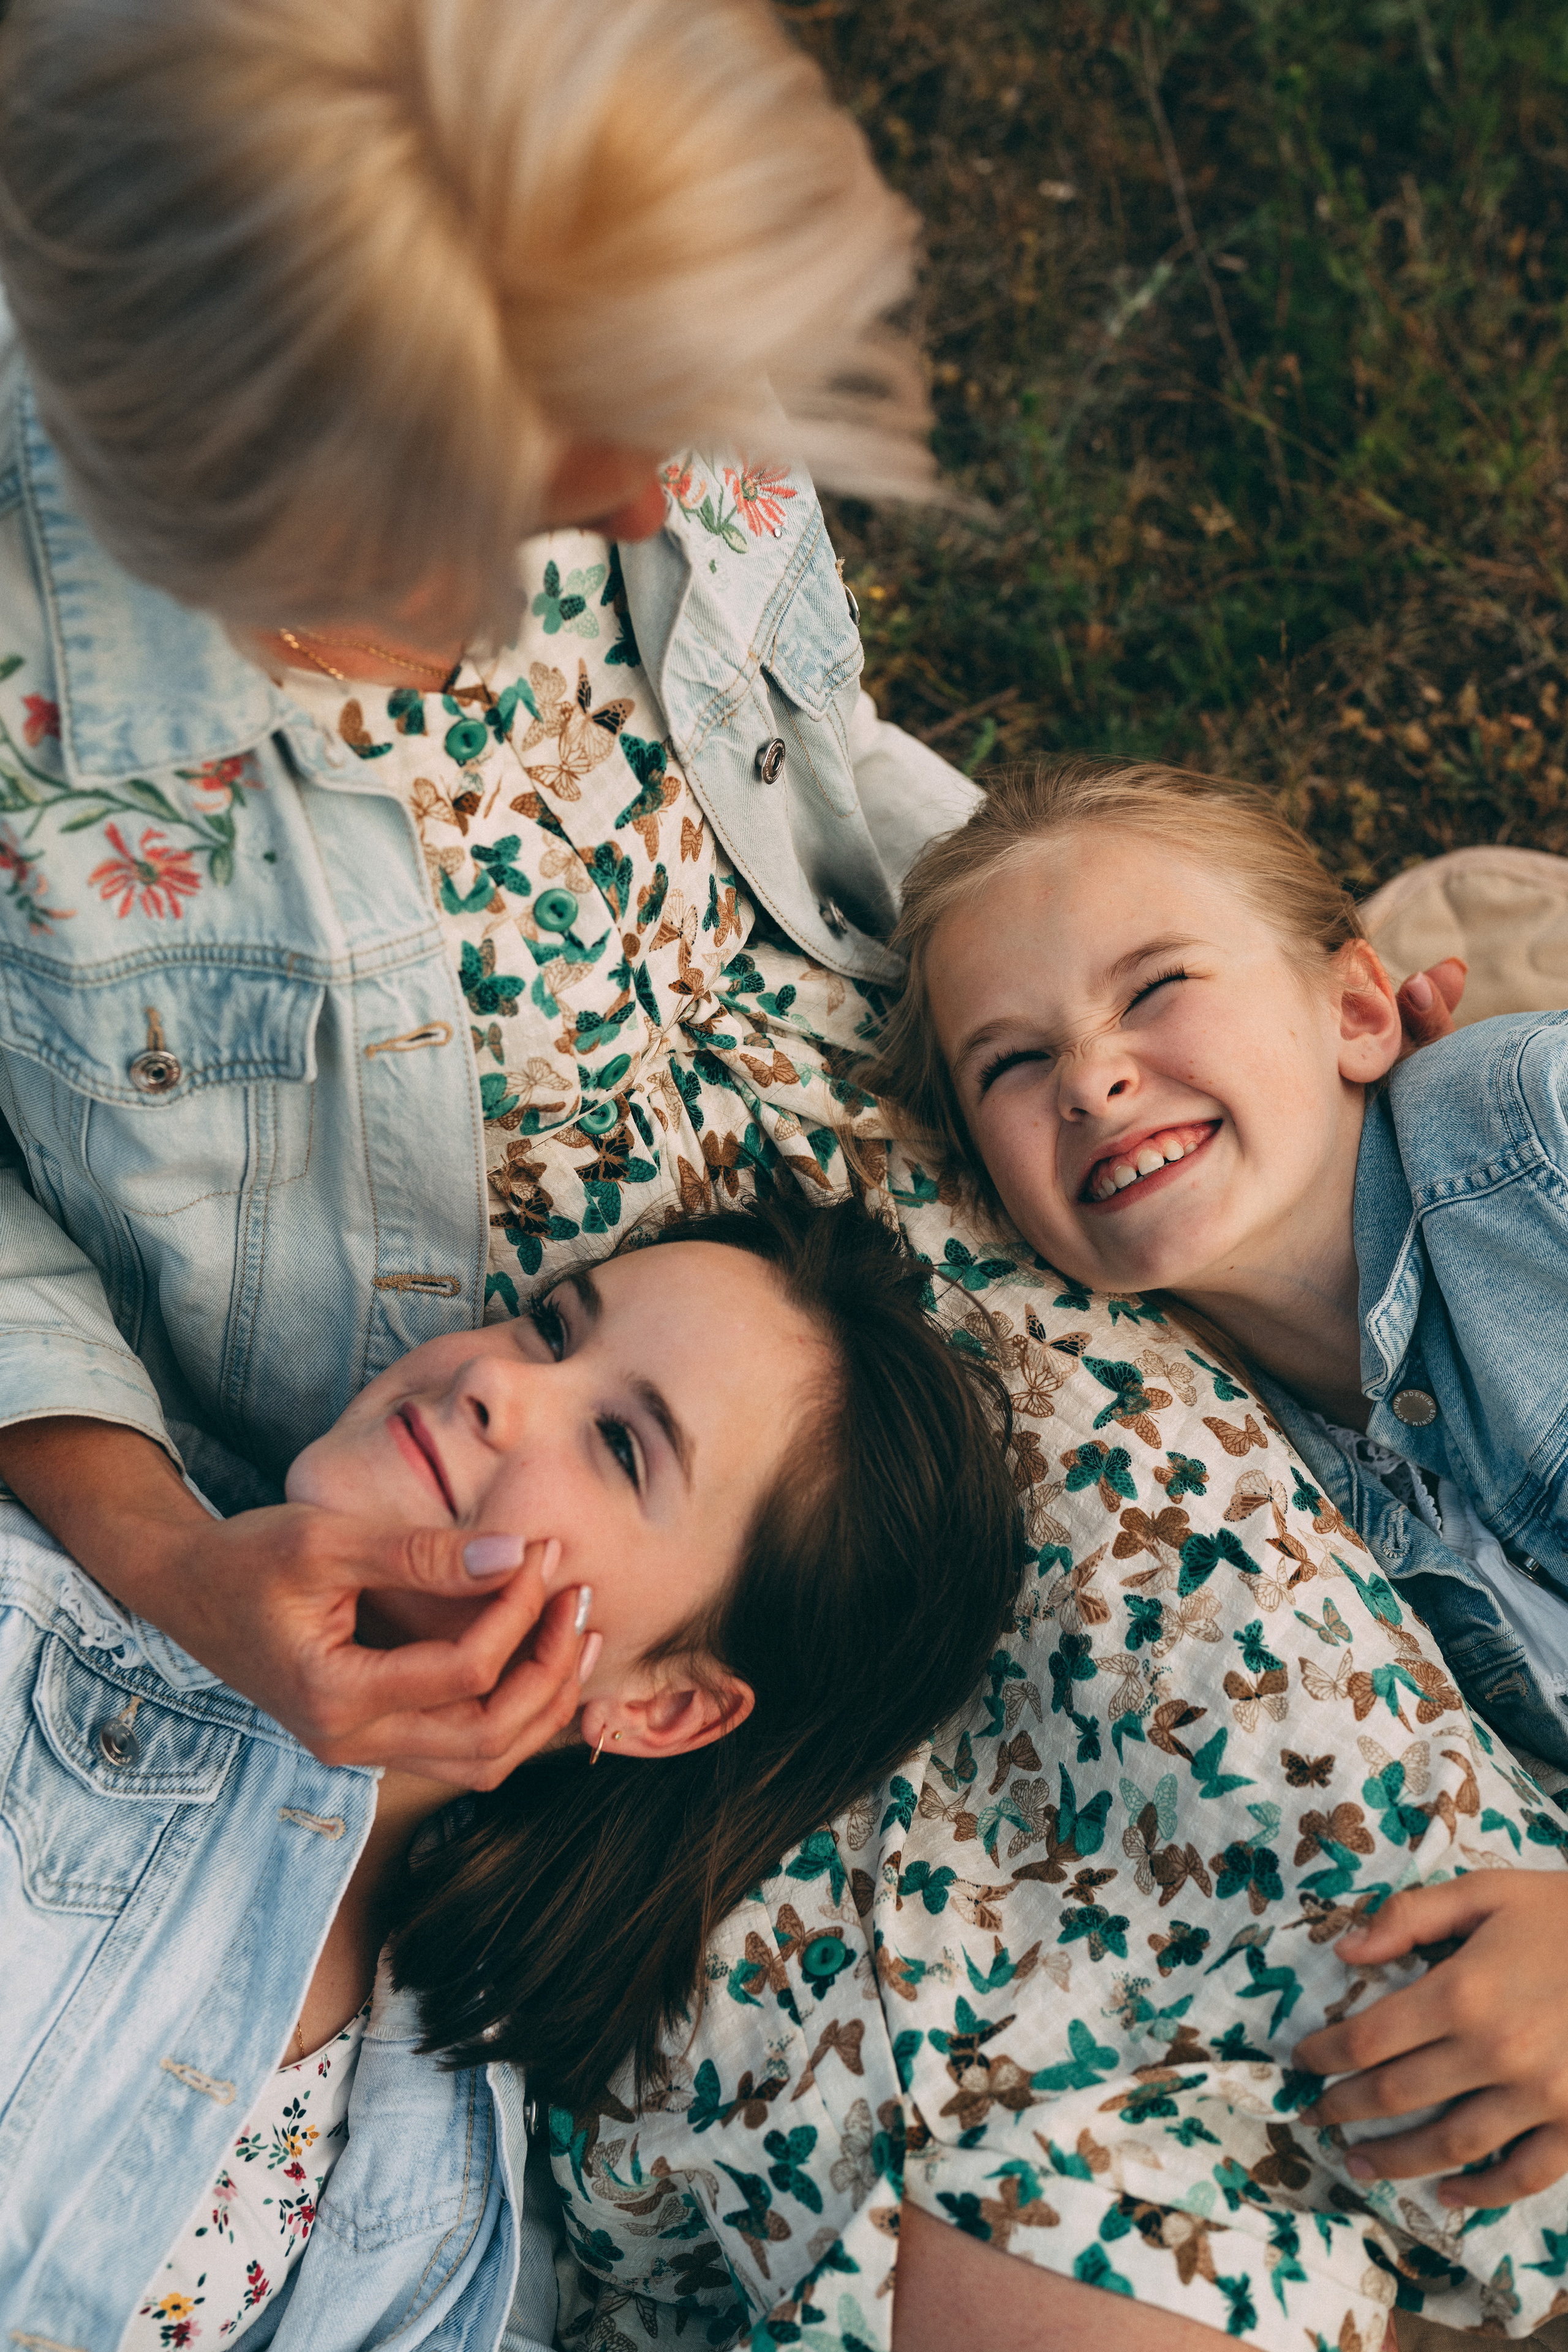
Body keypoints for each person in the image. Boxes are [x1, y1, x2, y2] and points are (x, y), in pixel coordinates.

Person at [1, 1189, 1024, 2352]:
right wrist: (165, 1555)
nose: (495, 1381)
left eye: (620, 1444)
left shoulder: (447, 2193)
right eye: (552, 1326)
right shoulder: (34, 1614)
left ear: (664, 1705)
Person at [865, 756, 1568, 2202]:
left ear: (1354, 1011)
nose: (1091, 1076)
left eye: (1154, 988)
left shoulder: (1536, 1143)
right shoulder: (1199, 1478)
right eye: (1009, 1062)